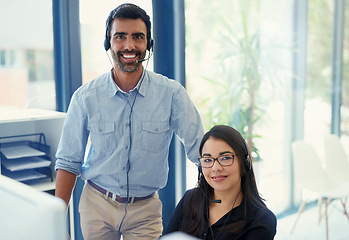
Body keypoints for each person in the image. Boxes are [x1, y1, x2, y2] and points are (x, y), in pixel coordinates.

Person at [54, 3, 204, 240]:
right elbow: (68, 161)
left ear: (148, 44)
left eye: (138, 37)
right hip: (96, 205)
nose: (129, 45)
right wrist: (54, 220)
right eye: (120, 37)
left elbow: (200, 151)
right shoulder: (85, 97)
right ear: (108, 42)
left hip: (145, 211)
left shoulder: (172, 94)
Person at [164, 125, 277, 240]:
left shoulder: (261, 220)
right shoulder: (190, 199)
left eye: (225, 158)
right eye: (207, 160)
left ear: (244, 164)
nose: (216, 168)